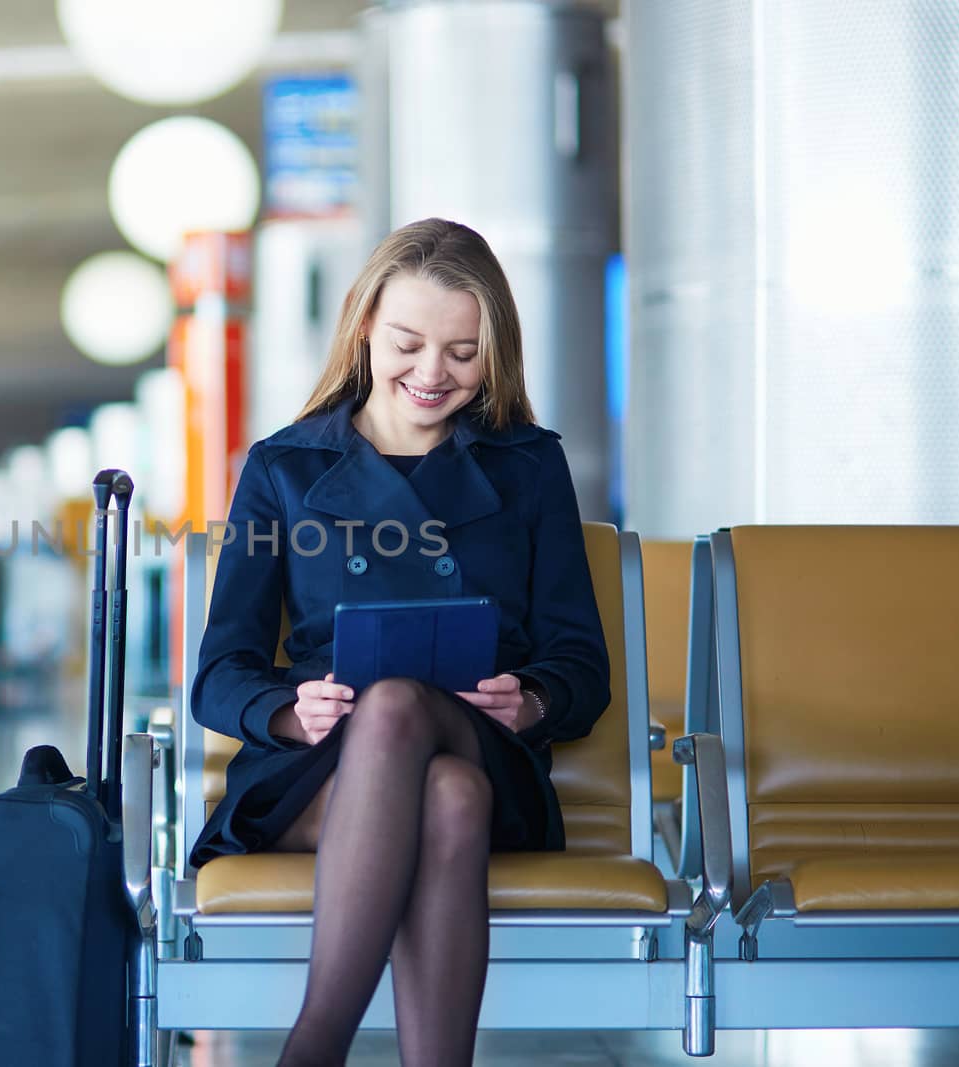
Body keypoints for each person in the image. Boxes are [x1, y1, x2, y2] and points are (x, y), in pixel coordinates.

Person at [187, 218, 612, 1066]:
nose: (431, 373)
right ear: (364, 327)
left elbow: (581, 663)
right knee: (444, 795)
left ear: (496, 351)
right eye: (408, 343)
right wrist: (286, 711)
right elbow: (219, 673)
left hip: (491, 749)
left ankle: (312, 1048)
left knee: (414, 730)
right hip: (314, 769)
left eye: (462, 352)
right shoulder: (285, 469)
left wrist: (532, 698)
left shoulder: (529, 465)